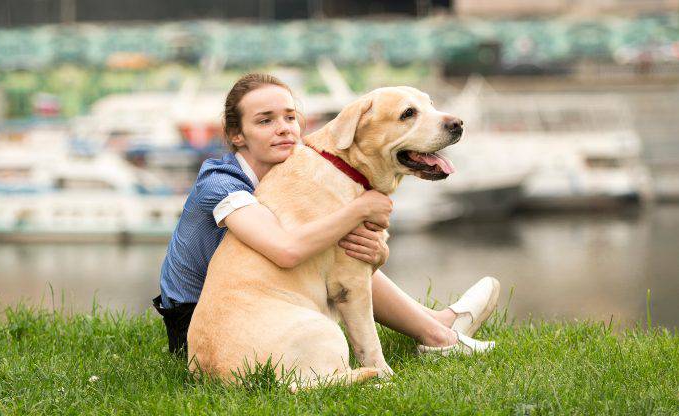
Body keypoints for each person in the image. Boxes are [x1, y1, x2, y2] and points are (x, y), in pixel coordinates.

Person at [153, 73, 498, 358]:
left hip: (261, 306)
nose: (284, 128)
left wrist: (378, 252)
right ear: (235, 135)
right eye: (265, 121)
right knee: (329, 247)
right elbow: (286, 251)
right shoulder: (221, 184)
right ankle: (437, 332)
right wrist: (361, 208)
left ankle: (436, 324)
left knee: (342, 250)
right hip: (207, 324)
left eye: (290, 117)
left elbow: (332, 260)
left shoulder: (295, 173)